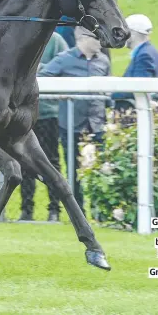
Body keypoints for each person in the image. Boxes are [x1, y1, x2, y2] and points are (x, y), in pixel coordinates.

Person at [39, 26, 111, 214]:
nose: (101, 43)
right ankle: (78, 213)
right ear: (83, 38)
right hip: (71, 125)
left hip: (97, 125)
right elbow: (42, 79)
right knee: (74, 171)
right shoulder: (64, 60)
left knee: (101, 168)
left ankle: (101, 212)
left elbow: (108, 89)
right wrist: (60, 97)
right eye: (98, 38)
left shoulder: (103, 61)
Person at [19, 32, 69, 222]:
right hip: (24, 114)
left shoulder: (55, 40)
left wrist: (41, 68)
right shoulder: (22, 37)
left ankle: (54, 209)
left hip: (48, 113)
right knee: (24, 162)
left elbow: (66, 65)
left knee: (51, 162)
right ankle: (26, 210)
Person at [112, 14, 158, 112]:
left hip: (140, 118)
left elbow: (138, 88)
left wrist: (111, 91)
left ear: (132, 33)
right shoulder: (149, 52)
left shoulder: (144, 55)